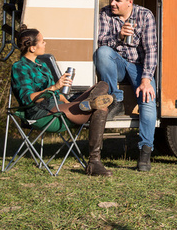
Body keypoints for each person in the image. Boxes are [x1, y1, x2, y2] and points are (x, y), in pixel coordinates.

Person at [12, 25, 114, 177]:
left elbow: (58, 95)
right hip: (41, 112)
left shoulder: (43, 65)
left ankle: (89, 103)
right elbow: (28, 98)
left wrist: (64, 96)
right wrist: (54, 87)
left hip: (59, 107)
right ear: (32, 48)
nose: (45, 43)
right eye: (42, 41)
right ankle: (94, 162)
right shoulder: (19, 67)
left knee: (103, 84)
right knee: (102, 109)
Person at [94, 0, 157, 172]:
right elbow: (100, 40)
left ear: (129, 1)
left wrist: (146, 80)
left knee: (147, 99)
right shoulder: (105, 14)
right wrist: (119, 37)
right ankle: (116, 98)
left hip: (139, 66)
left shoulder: (145, 15)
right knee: (103, 52)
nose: (112, 3)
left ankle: (145, 151)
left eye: (117, 0)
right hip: (118, 63)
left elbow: (151, 50)